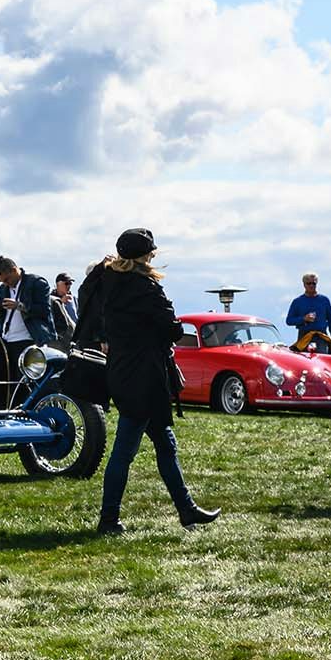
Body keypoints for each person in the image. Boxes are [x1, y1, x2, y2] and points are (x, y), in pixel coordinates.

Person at [96, 228, 219, 535]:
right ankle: (108, 519)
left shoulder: (109, 283)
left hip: (122, 372)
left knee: (165, 444)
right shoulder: (145, 288)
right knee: (125, 450)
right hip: (146, 376)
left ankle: (187, 509)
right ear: (145, 256)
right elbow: (172, 329)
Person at [0, 254, 53, 358]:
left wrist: (20, 306)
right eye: (2, 282)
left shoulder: (37, 283)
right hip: (6, 339)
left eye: (6, 280)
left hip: (29, 340)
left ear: (14, 270)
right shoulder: (4, 289)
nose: (6, 284)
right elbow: (4, 315)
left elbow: (44, 310)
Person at [286, 273, 331, 353]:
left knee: (321, 360)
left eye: (313, 283)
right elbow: (289, 321)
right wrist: (303, 319)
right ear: (304, 284)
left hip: (321, 336)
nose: (311, 286)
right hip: (304, 337)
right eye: (308, 283)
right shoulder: (297, 301)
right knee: (304, 362)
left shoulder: (324, 300)